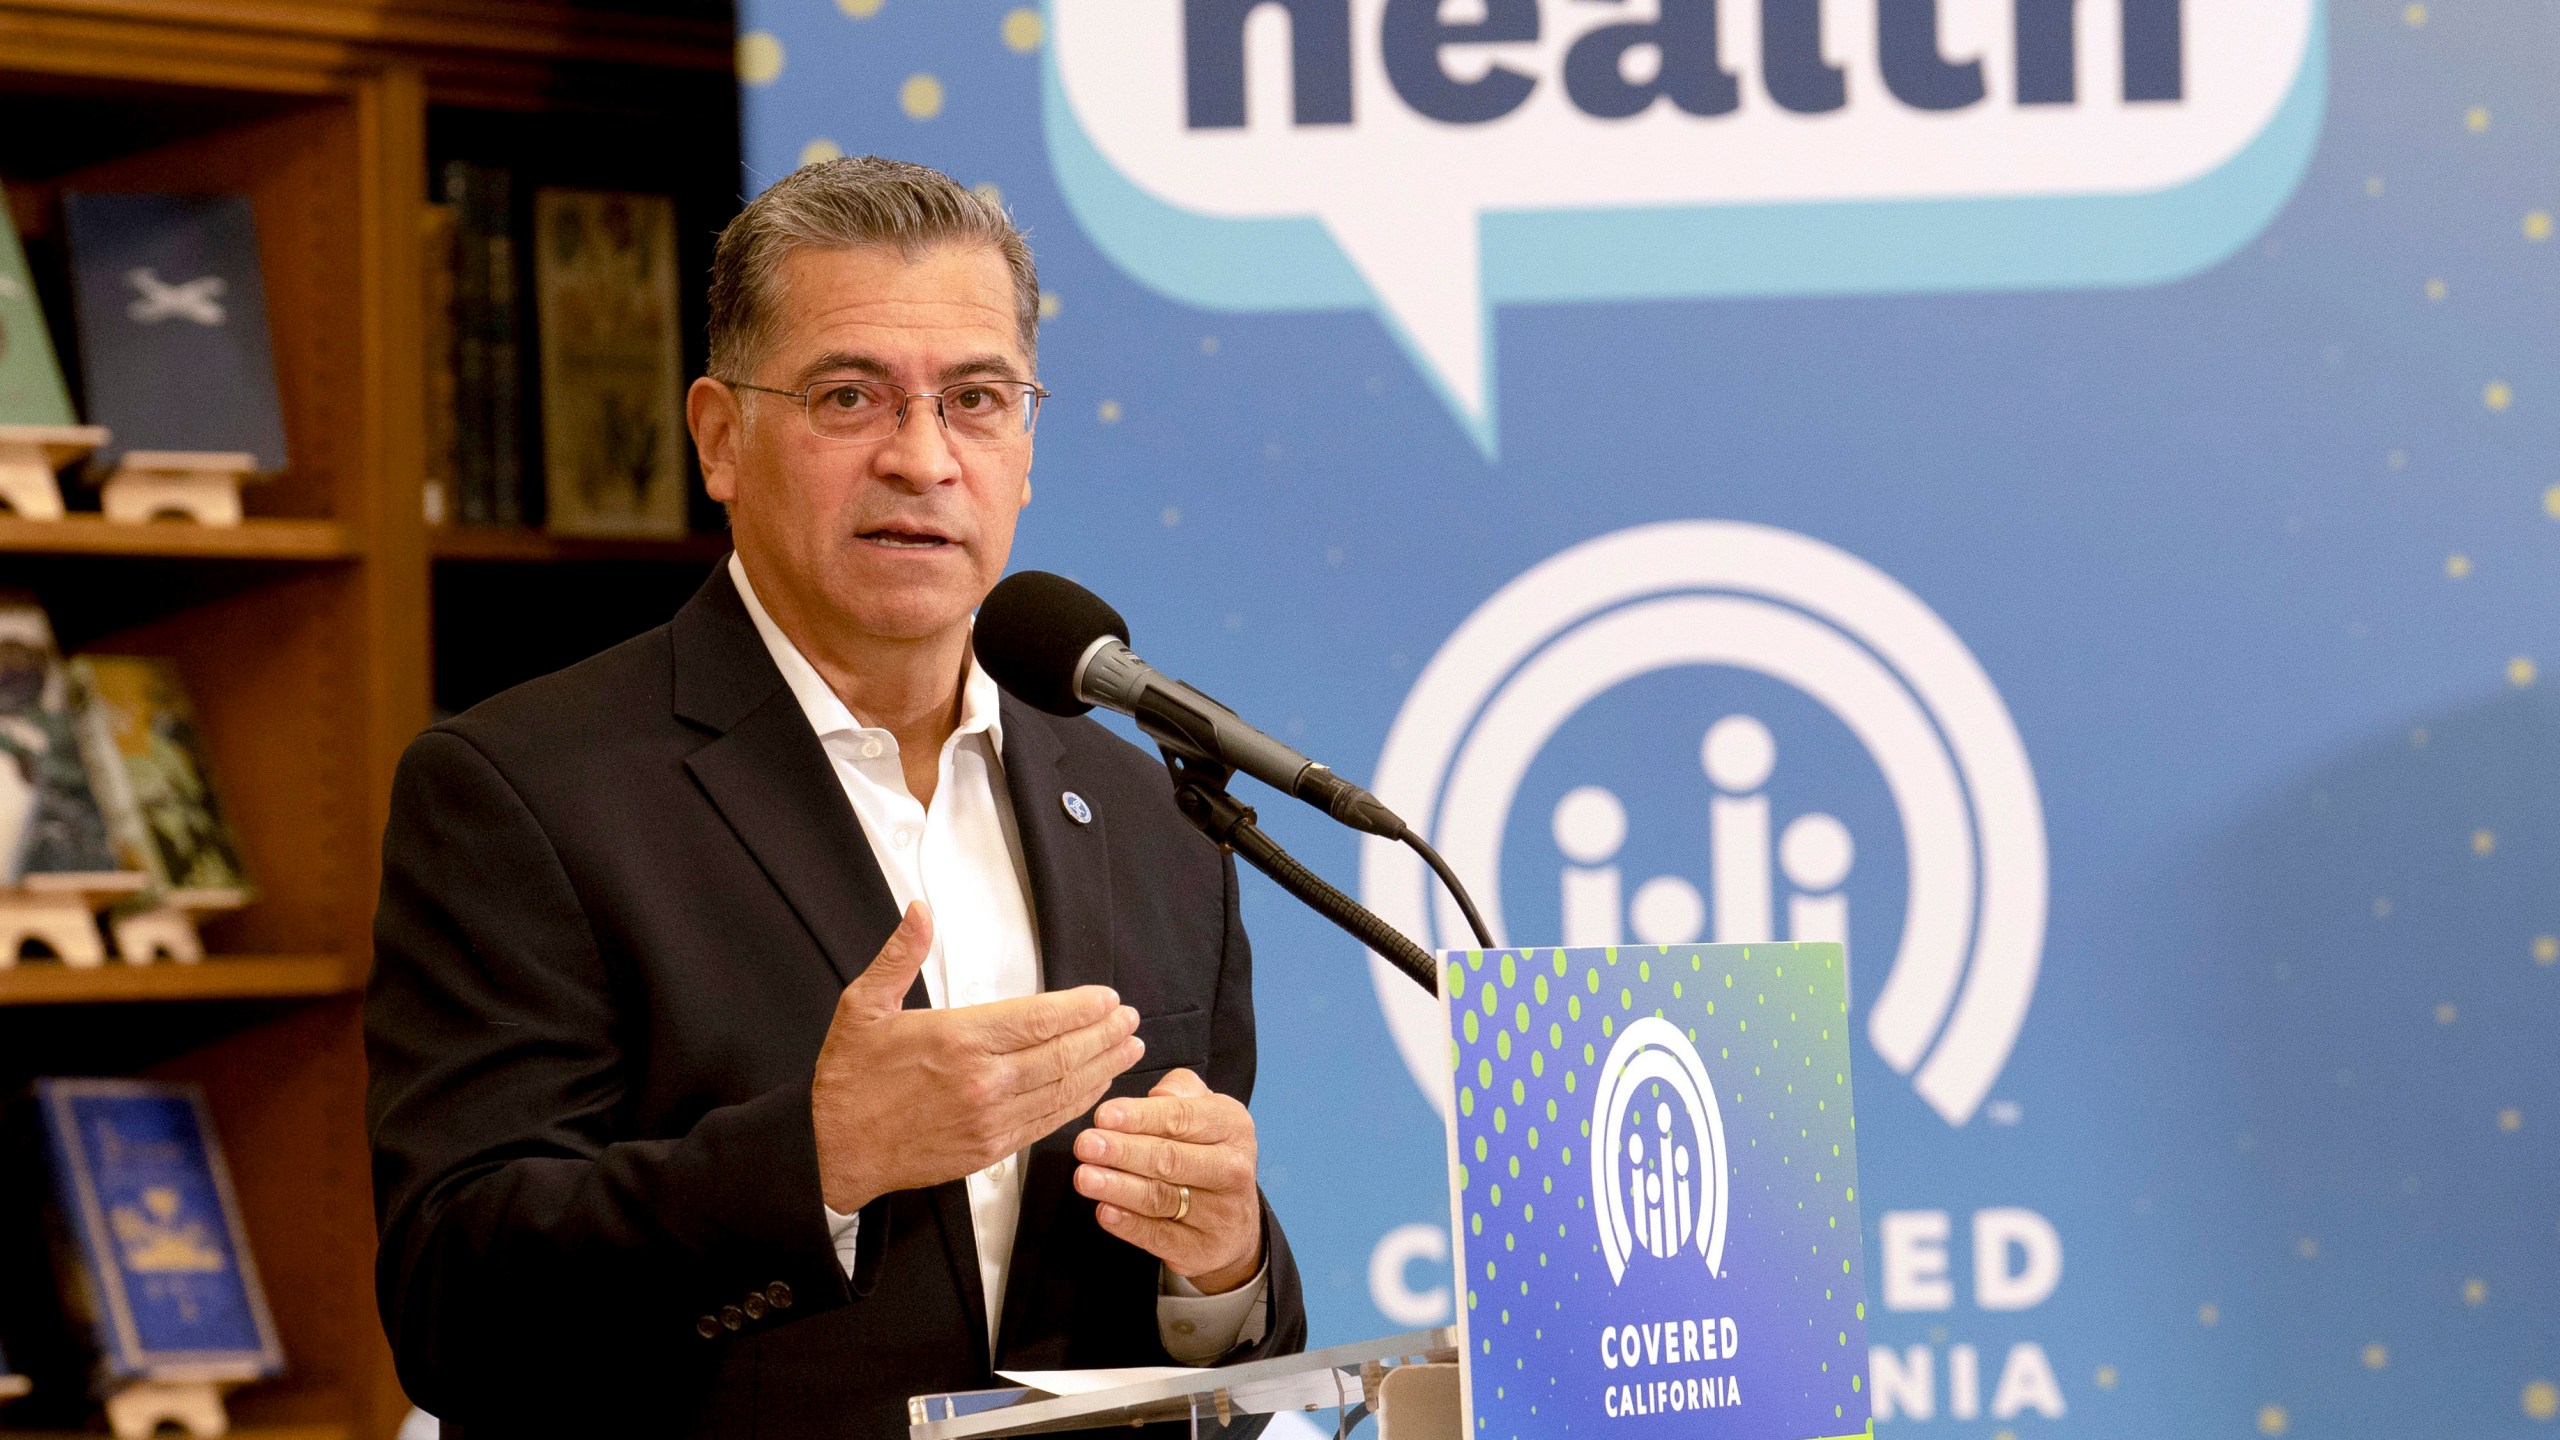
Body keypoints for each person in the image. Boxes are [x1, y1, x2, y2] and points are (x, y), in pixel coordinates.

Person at [365, 156, 1305, 1438]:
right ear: (718, 437)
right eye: (849, 396)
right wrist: (820, 1160)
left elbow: (1208, 1334)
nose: (921, 460)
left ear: (1025, 448)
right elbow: (453, 1306)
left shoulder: (1151, 816)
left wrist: (1223, 1265)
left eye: (977, 399)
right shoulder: (523, 790)